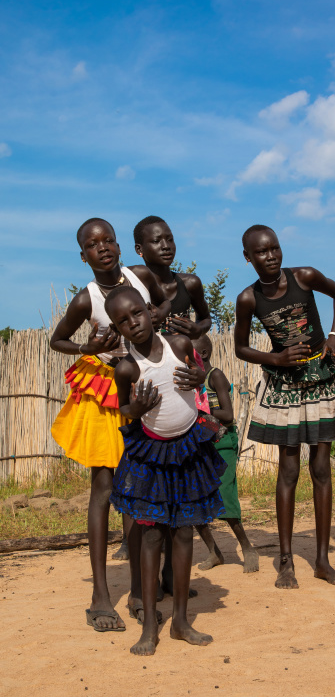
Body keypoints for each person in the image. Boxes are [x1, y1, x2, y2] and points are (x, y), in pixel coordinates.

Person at [50, 217, 175, 633]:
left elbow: (166, 301)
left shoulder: (140, 277)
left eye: (108, 240)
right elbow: (57, 340)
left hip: (143, 383)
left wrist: (158, 315)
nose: (102, 247)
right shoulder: (85, 300)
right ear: (83, 254)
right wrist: (88, 346)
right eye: (92, 243)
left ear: (120, 246)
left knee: (140, 485)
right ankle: (101, 596)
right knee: (105, 486)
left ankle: (141, 591)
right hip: (104, 390)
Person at [104, 285, 226, 655]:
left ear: (150, 311)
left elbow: (199, 373)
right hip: (152, 454)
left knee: (185, 532)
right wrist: (136, 411)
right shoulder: (127, 368)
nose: (134, 323)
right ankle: (150, 629)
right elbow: (122, 411)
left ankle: (181, 622)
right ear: (117, 329)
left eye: (137, 314)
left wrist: (200, 378)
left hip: (188, 447)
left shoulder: (179, 345)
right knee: (152, 536)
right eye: (123, 321)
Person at [235, 225, 335, 589]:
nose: (270, 256)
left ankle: (321, 560)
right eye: (261, 252)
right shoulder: (248, 299)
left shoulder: (304, 276)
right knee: (288, 469)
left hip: (321, 375)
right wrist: (277, 357)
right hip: (285, 382)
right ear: (248, 258)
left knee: (321, 467)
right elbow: (241, 348)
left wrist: (334, 337)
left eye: (274, 249)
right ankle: (285, 561)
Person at [133, 214, 212, 591]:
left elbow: (206, 318)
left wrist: (197, 330)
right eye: (156, 240)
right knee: (147, 485)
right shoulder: (132, 283)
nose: (165, 245)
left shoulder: (189, 283)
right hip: (147, 392)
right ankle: (141, 580)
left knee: (180, 480)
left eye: (169, 238)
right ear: (140, 249)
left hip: (184, 383)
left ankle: (169, 578)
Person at [192, 334, 259, 573]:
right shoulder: (188, 380)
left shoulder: (215, 376)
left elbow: (228, 415)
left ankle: (247, 547)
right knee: (194, 500)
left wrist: (199, 412)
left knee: (225, 495)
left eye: (189, 354)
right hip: (199, 444)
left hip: (221, 441)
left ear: (204, 354)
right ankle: (214, 551)